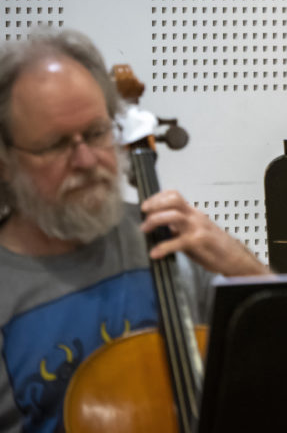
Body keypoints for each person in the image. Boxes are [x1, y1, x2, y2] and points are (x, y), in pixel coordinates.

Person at [0, 28, 271, 432]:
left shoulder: (173, 241)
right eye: (57, 144)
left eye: (96, 133)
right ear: (5, 161)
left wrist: (245, 270)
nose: (87, 160)